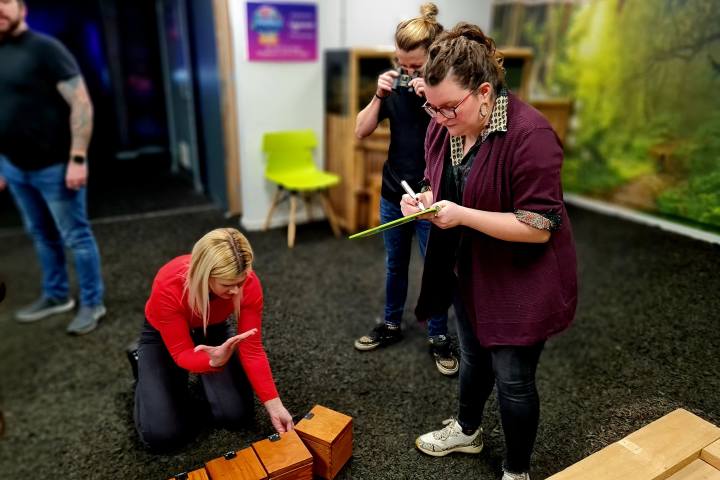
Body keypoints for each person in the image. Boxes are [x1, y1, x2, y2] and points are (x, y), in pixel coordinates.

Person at [406, 24, 578, 480]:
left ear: (485, 93)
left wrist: (460, 214)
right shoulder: (445, 127)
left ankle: (516, 471)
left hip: (523, 277)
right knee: (474, 354)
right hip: (471, 268)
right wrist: (423, 201)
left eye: (448, 107)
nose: (439, 117)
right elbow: (436, 180)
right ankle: (467, 429)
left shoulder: (531, 136)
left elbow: (539, 227)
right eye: (432, 106)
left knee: (513, 378)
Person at [352, 3, 458, 376]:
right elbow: (361, 130)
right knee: (395, 265)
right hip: (394, 192)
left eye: (416, 67)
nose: (407, 73)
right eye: (402, 65)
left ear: (435, 57)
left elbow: (460, 138)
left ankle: (439, 336)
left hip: (434, 197)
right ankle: (392, 324)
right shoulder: (393, 88)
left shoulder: (447, 92)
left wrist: (430, 99)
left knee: (436, 270)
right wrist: (379, 95)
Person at [134, 228, 294, 452]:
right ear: (204, 275)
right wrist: (211, 363)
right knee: (163, 436)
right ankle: (142, 364)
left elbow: (252, 350)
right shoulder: (168, 284)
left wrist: (274, 405)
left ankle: (194, 380)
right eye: (228, 285)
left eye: (241, 281)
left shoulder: (248, 283)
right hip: (163, 334)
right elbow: (182, 352)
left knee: (236, 416)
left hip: (212, 327)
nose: (237, 290)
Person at [0, 0, 106, 335]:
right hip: (15, 166)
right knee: (40, 233)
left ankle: (93, 301)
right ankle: (57, 295)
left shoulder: (46, 49)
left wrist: (77, 158)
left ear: (22, 8)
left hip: (55, 166)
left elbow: (80, 102)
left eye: (5, 2)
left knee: (76, 236)